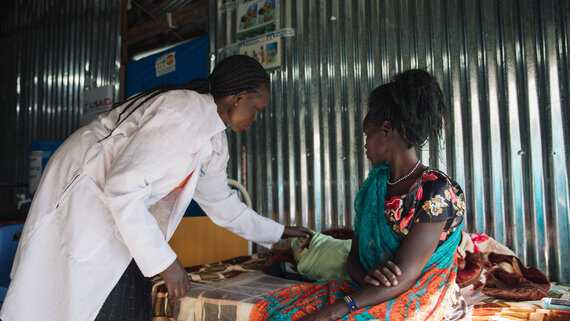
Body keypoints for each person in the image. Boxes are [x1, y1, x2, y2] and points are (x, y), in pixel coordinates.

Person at [0, 55, 311, 321]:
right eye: (256, 108)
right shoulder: (183, 116)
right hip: (87, 200)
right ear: (239, 98)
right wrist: (167, 263)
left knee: (126, 297)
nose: (256, 117)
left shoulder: (213, 139)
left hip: (115, 214)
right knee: (92, 297)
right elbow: (122, 188)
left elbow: (222, 203)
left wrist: (278, 231)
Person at [249, 69, 467, 321]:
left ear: (386, 129)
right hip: (370, 292)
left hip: (421, 295)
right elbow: (355, 256)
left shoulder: (435, 190)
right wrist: (366, 277)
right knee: (278, 310)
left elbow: (404, 277)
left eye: (367, 134)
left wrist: (335, 310)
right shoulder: (375, 187)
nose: (364, 144)